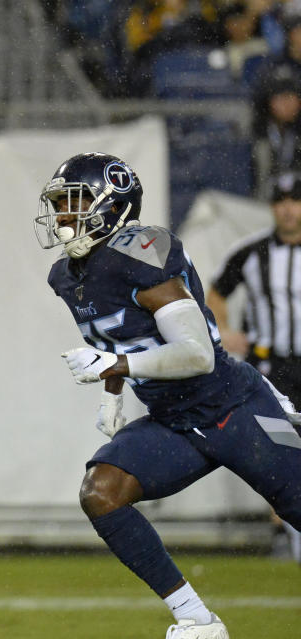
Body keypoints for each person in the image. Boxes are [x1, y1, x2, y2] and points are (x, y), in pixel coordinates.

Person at [34, 152, 301, 638]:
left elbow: (196, 353)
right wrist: (113, 395)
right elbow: (114, 341)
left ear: (110, 206)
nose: (62, 217)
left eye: (72, 203)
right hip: (175, 421)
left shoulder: (141, 251)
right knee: (102, 491)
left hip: (232, 407)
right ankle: (197, 620)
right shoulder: (67, 277)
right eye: (59, 205)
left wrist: (115, 367)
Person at [206, 170, 301, 563]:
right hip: (272, 367)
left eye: (294, 201)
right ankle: (282, 530)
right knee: (281, 447)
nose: (287, 210)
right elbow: (215, 292)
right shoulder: (252, 252)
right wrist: (224, 329)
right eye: (280, 202)